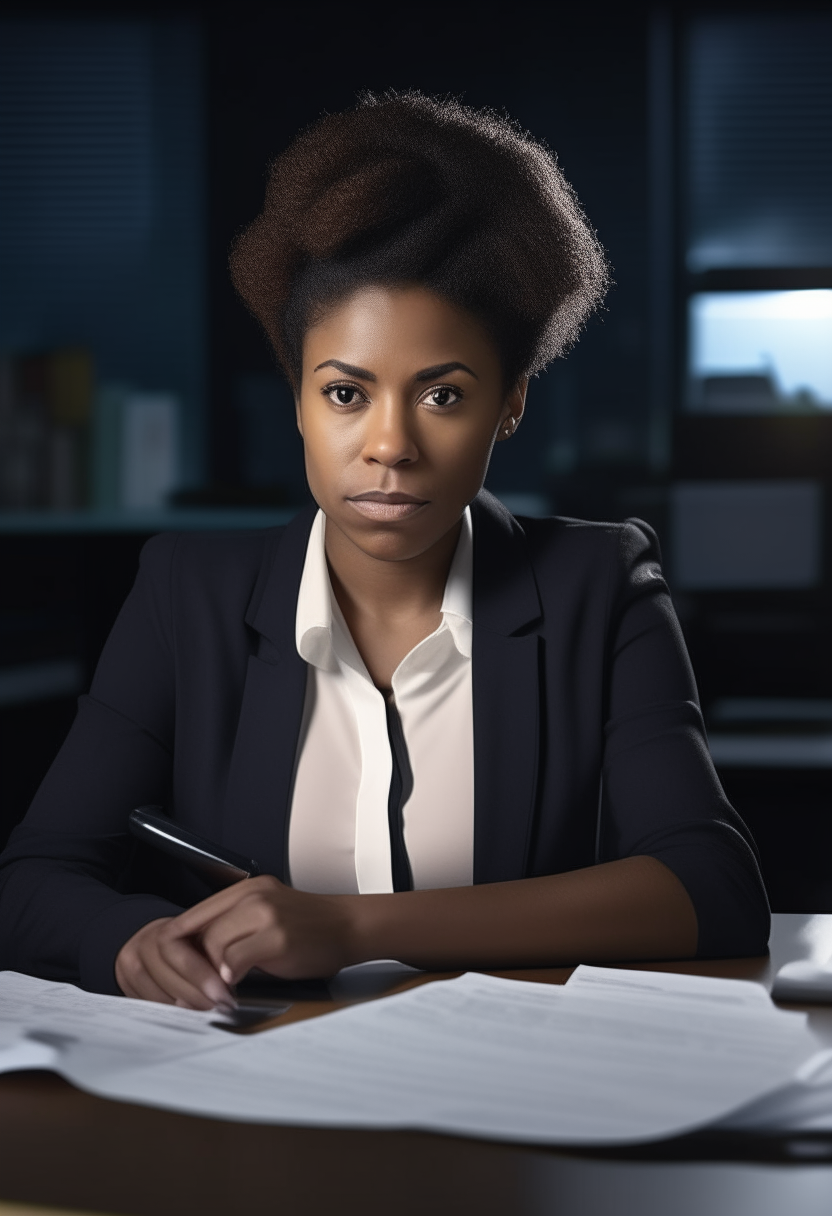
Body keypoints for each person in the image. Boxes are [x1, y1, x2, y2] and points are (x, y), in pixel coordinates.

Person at [0, 93, 769, 1008]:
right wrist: (130, 940)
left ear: (511, 404)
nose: (391, 445)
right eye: (345, 394)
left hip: (507, 1103)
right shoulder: (186, 594)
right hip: (243, 1094)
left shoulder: (599, 585)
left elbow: (712, 885)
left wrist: (351, 925)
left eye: (442, 396)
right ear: (297, 400)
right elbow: (35, 879)